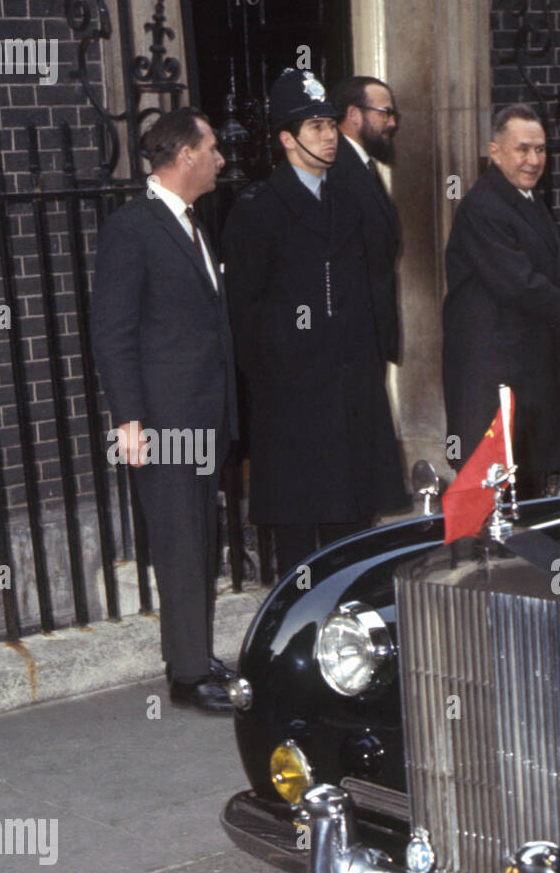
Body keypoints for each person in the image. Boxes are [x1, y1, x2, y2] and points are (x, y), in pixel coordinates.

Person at [223, 68, 408, 576]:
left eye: (330, 125)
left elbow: (366, 290)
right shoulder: (258, 209)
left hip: (349, 395)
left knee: (351, 536)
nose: (329, 138)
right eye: (314, 128)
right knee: (301, 548)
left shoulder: (347, 198)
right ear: (287, 139)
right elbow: (245, 315)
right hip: (294, 405)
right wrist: (286, 363)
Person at [91, 107, 237, 715]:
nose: (222, 159)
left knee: (200, 538)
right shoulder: (134, 227)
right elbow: (112, 330)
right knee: (179, 539)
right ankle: (186, 676)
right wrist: (129, 419)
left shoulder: (192, 224)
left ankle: (193, 654)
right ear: (185, 157)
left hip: (202, 412)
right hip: (164, 420)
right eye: (213, 149)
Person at [442, 104, 560, 500]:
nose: (534, 160)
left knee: (524, 494)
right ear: (495, 151)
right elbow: (517, 284)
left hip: (524, 376)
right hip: (492, 379)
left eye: (540, 150)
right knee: (492, 496)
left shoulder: (525, 199)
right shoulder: (484, 206)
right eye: (522, 149)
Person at [328, 75, 403, 366]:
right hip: (354, 339)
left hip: (368, 337)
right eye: (385, 113)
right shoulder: (338, 170)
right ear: (354, 115)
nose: (393, 123)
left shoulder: (361, 165)